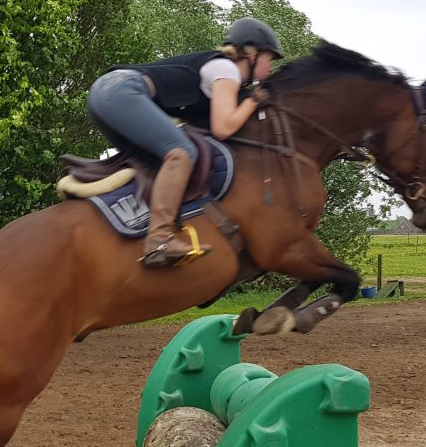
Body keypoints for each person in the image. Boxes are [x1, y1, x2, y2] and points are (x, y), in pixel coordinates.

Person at [87, 18, 284, 267]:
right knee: (181, 153)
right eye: (269, 59)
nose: (270, 68)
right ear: (252, 53)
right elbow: (223, 128)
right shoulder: (227, 70)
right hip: (122, 90)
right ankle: (159, 240)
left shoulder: (218, 70)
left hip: (107, 93)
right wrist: (253, 101)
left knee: (156, 162)